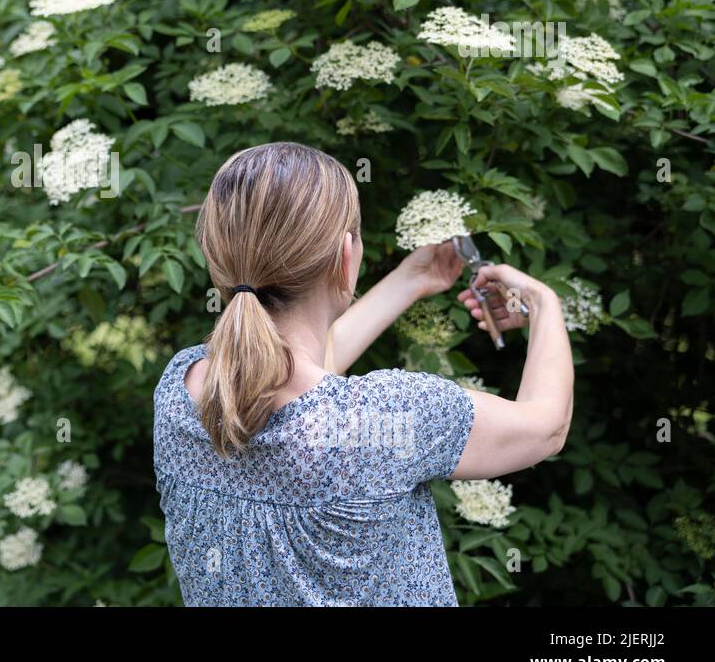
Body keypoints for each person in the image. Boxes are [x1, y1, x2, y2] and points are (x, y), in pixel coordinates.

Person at [153, 141, 574, 605]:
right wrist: (544, 303)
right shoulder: (393, 415)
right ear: (344, 255)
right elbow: (546, 427)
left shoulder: (180, 391)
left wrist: (413, 279)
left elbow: (296, 384)